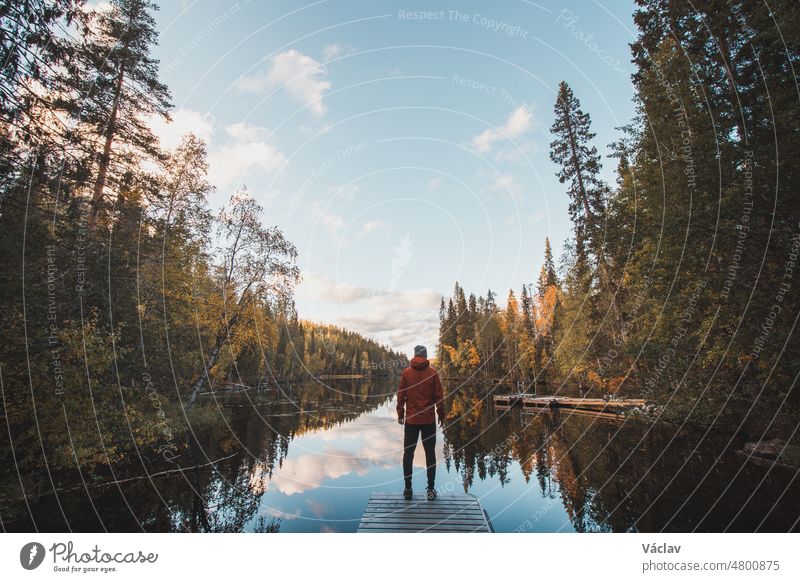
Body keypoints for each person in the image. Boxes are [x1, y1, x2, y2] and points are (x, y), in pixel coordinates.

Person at [396, 345, 445, 500]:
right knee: (430, 454)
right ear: (425, 356)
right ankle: (430, 490)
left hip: (411, 420)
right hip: (428, 421)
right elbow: (439, 397)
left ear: (415, 355)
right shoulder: (432, 373)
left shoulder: (406, 373)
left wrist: (400, 414)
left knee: (408, 454)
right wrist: (441, 415)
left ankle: (408, 489)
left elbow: (400, 396)